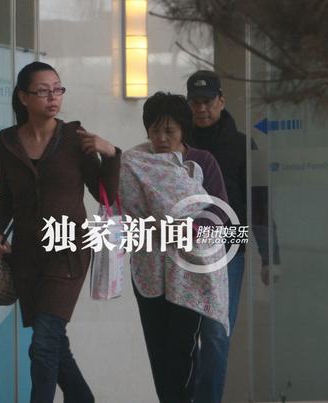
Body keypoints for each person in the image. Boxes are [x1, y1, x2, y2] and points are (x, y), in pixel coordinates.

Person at [0, 61, 120, 403]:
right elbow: (5, 196)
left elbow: (105, 193)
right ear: (23, 97)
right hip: (27, 257)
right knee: (52, 343)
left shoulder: (75, 138)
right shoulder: (7, 142)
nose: (53, 97)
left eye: (57, 89)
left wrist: (111, 155)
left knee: (43, 344)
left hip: (69, 251)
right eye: (43, 91)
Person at [119, 92, 230, 403]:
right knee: (158, 348)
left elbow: (219, 209)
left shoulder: (202, 161)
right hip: (150, 267)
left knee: (182, 346)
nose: (162, 138)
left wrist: (190, 230)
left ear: (183, 130)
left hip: (190, 268)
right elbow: (129, 207)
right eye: (155, 131)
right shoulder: (136, 162)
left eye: (169, 130)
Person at [185, 70, 279, 403]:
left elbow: (260, 202)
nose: (201, 108)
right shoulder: (180, 143)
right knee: (186, 335)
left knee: (216, 333)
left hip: (230, 244)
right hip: (185, 248)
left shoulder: (242, 144)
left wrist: (270, 255)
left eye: (208, 101)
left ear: (221, 101)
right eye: (195, 102)